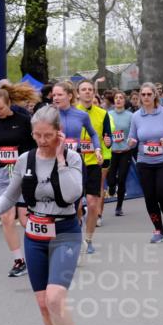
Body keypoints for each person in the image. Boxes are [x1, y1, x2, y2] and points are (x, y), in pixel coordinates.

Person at [0, 106, 85, 325]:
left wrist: (61, 158)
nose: (42, 140)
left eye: (48, 135)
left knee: (54, 297)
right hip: (35, 235)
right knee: (42, 303)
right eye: (37, 135)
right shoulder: (25, 160)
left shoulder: (72, 157)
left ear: (58, 133)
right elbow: (12, 193)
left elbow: (73, 192)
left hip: (64, 233)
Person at [0, 88, 37, 277]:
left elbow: (34, 146)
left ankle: (45, 248)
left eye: (0, 108)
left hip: (23, 173)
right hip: (1, 175)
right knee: (7, 217)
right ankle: (19, 261)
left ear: (9, 104)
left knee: (25, 220)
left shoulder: (24, 121)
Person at [127, 82, 163, 243]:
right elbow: (133, 137)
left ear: (155, 96)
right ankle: (159, 230)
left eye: (149, 94)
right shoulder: (136, 116)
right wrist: (131, 142)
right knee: (150, 197)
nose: (145, 97)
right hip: (144, 162)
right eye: (143, 95)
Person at [51, 81, 101, 235]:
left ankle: (86, 236)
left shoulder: (81, 114)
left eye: (60, 94)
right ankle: (75, 227)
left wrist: (97, 149)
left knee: (79, 203)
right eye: (54, 95)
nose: (56, 98)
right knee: (69, 203)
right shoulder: (49, 114)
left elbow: (92, 133)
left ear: (70, 96)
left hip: (76, 160)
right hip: (55, 160)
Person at [75, 79, 111, 253]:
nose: (87, 92)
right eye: (84, 89)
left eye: (90, 89)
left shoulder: (102, 114)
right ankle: (76, 231)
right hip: (74, 165)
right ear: (78, 93)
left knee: (92, 203)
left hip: (94, 163)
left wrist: (108, 142)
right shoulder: (72, 112)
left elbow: (107, 138)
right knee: (75, 206)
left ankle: (88, 240)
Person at [106, 90, 134, 216]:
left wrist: (132, 141)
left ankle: (119, 206)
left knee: (122, 179)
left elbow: (134, 132)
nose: (118, 100)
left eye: (121, 98)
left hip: (125, 151)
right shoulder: (108, 114)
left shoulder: (130, 116)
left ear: (124, 100)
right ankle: (112, 186)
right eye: (116, 98)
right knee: (111, 179)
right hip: (111, 151)